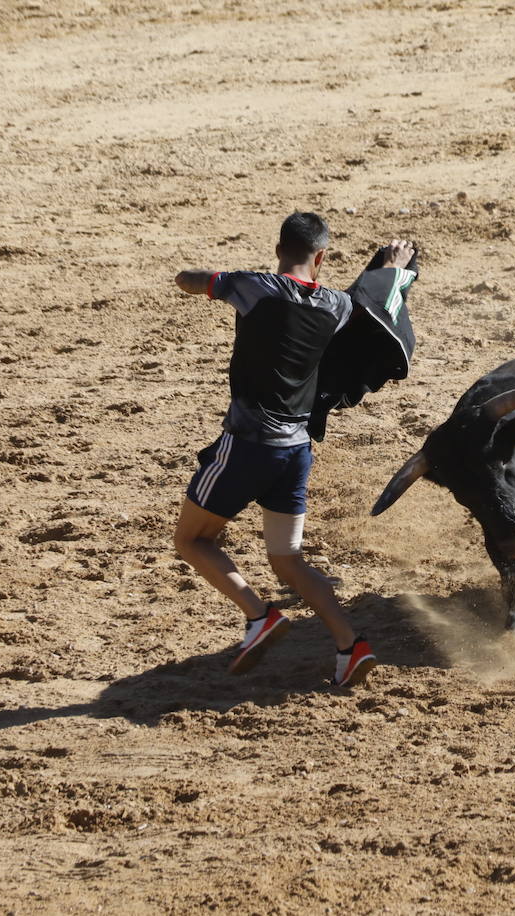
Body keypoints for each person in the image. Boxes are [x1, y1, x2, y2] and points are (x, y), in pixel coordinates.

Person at [171, 211, 415, 688]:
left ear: (279, 247)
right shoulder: (338, 307)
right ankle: (351, 645)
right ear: (320, 257)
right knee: (287, 559)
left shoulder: (253, 287)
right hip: (296, 449)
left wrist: (206, 280)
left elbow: (188, 280)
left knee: (192, 540)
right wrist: (389, 272)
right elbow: (367, 306)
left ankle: (259, 615)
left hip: (246, 446)